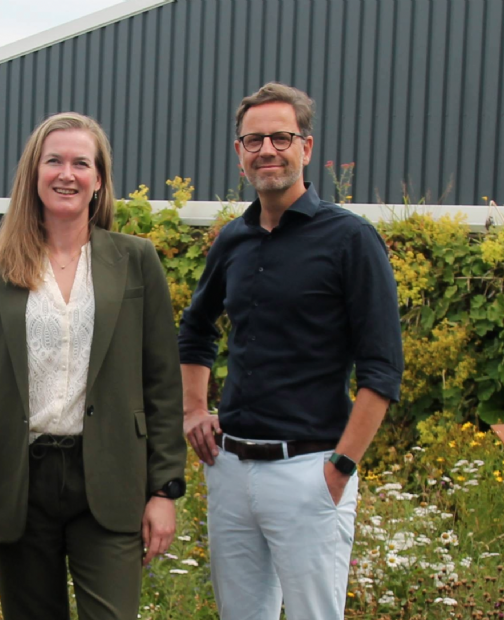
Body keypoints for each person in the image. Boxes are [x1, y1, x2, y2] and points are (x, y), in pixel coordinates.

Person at [178, 82, 404, 620]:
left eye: (281, 137)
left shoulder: (351, 239)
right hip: (230, 470)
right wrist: (193, 410)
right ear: (239, 152)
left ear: (306, 146)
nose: (267, 150)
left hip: (310, 471)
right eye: (253, 140)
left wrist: (341, 467)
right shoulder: (233, 239)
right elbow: (195, 328)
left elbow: (382, 368)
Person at [0, 112, 187, 620]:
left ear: (98, 179)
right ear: (33, 174)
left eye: (81, 163)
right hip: (19, 483)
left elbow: (163, 386)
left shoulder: (135, 260)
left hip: (110, 478)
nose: (67, 174)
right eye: (53, 161)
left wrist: (164, 489)